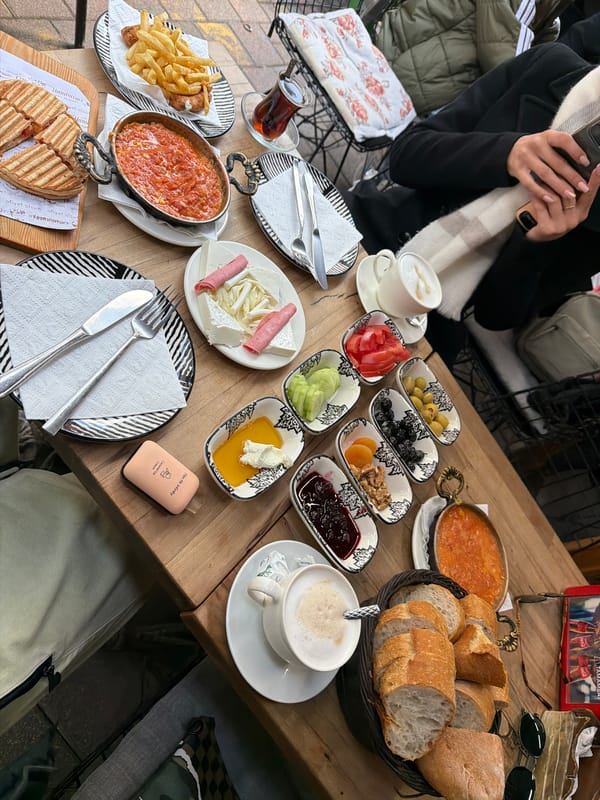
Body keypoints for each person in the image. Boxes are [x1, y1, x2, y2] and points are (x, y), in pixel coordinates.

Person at [344, 14, 600, 361]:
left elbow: (495, 316)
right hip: (367, 238)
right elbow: (405, 156)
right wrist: (505, 153)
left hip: (428, 323)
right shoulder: (550, 67)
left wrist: (535, 242)